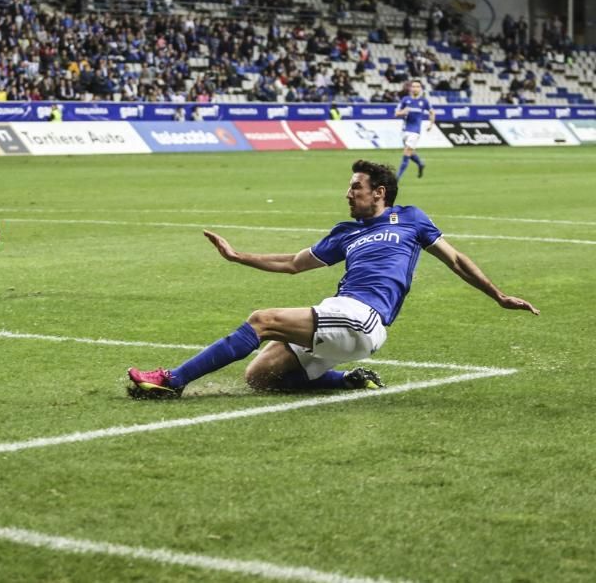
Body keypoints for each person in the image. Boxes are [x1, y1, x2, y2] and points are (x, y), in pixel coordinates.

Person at [127, 160, 538, 399]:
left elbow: (457, 260)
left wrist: (498, 295)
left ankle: (173, 381)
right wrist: (238, 256)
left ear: (379, 192)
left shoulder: (412, 218)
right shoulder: (346, 232)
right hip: (340, 313)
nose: (347, 193)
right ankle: (349, 380)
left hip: (365, 317)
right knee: (260, 378)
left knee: (261, 320)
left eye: (355, 187)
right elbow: (292, 262)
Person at [394, 79, 434, 180]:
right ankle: (420, 164)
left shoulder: (424, 101)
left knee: (406, 152)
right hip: (404, 131)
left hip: (415, 131)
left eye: (418, 86)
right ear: (410, 88)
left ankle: (397, 178)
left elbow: (432, 112)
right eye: (414, 86)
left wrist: (431, 124)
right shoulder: (405, 100)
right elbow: (396, 113)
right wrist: (403, 111)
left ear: (420, 89)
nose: (416, 88)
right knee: (410, 153)